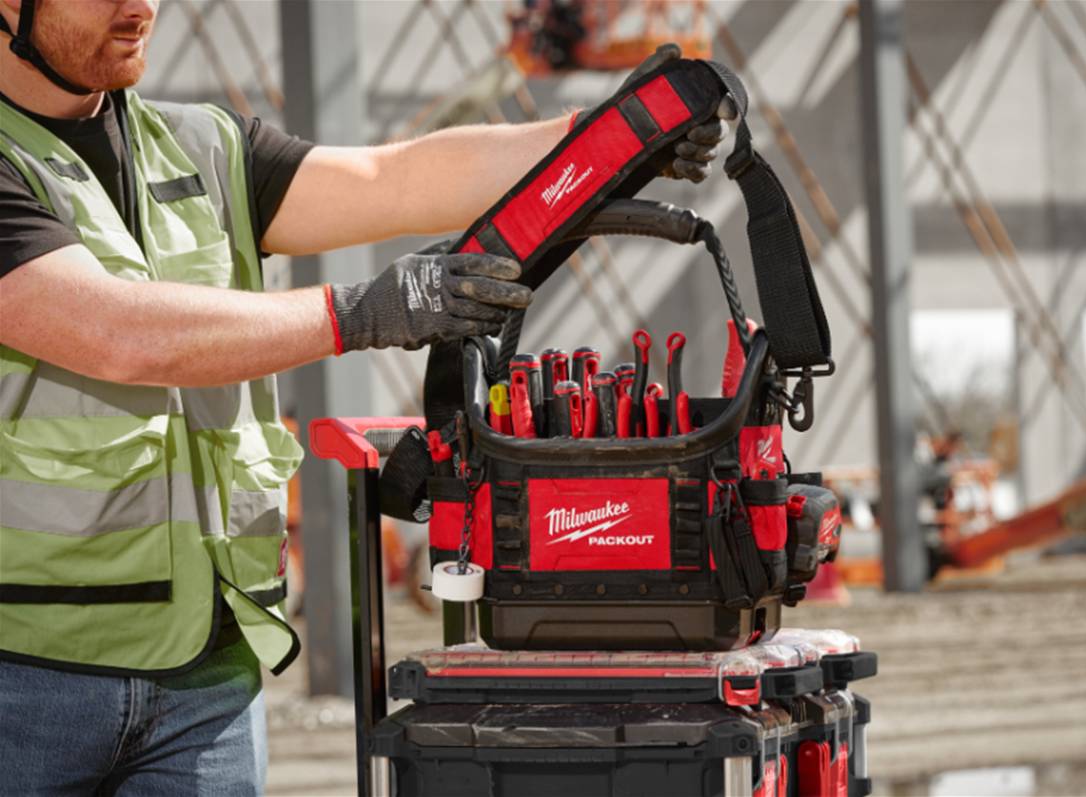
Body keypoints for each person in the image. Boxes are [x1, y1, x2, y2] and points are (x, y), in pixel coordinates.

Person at [0, 0, 733, 793]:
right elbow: (118, 334)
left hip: (204, 676)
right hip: (27, 673)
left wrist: (610, 139)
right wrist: (363, 311)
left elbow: (396, 178)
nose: (140, 5)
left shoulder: (200, 146)